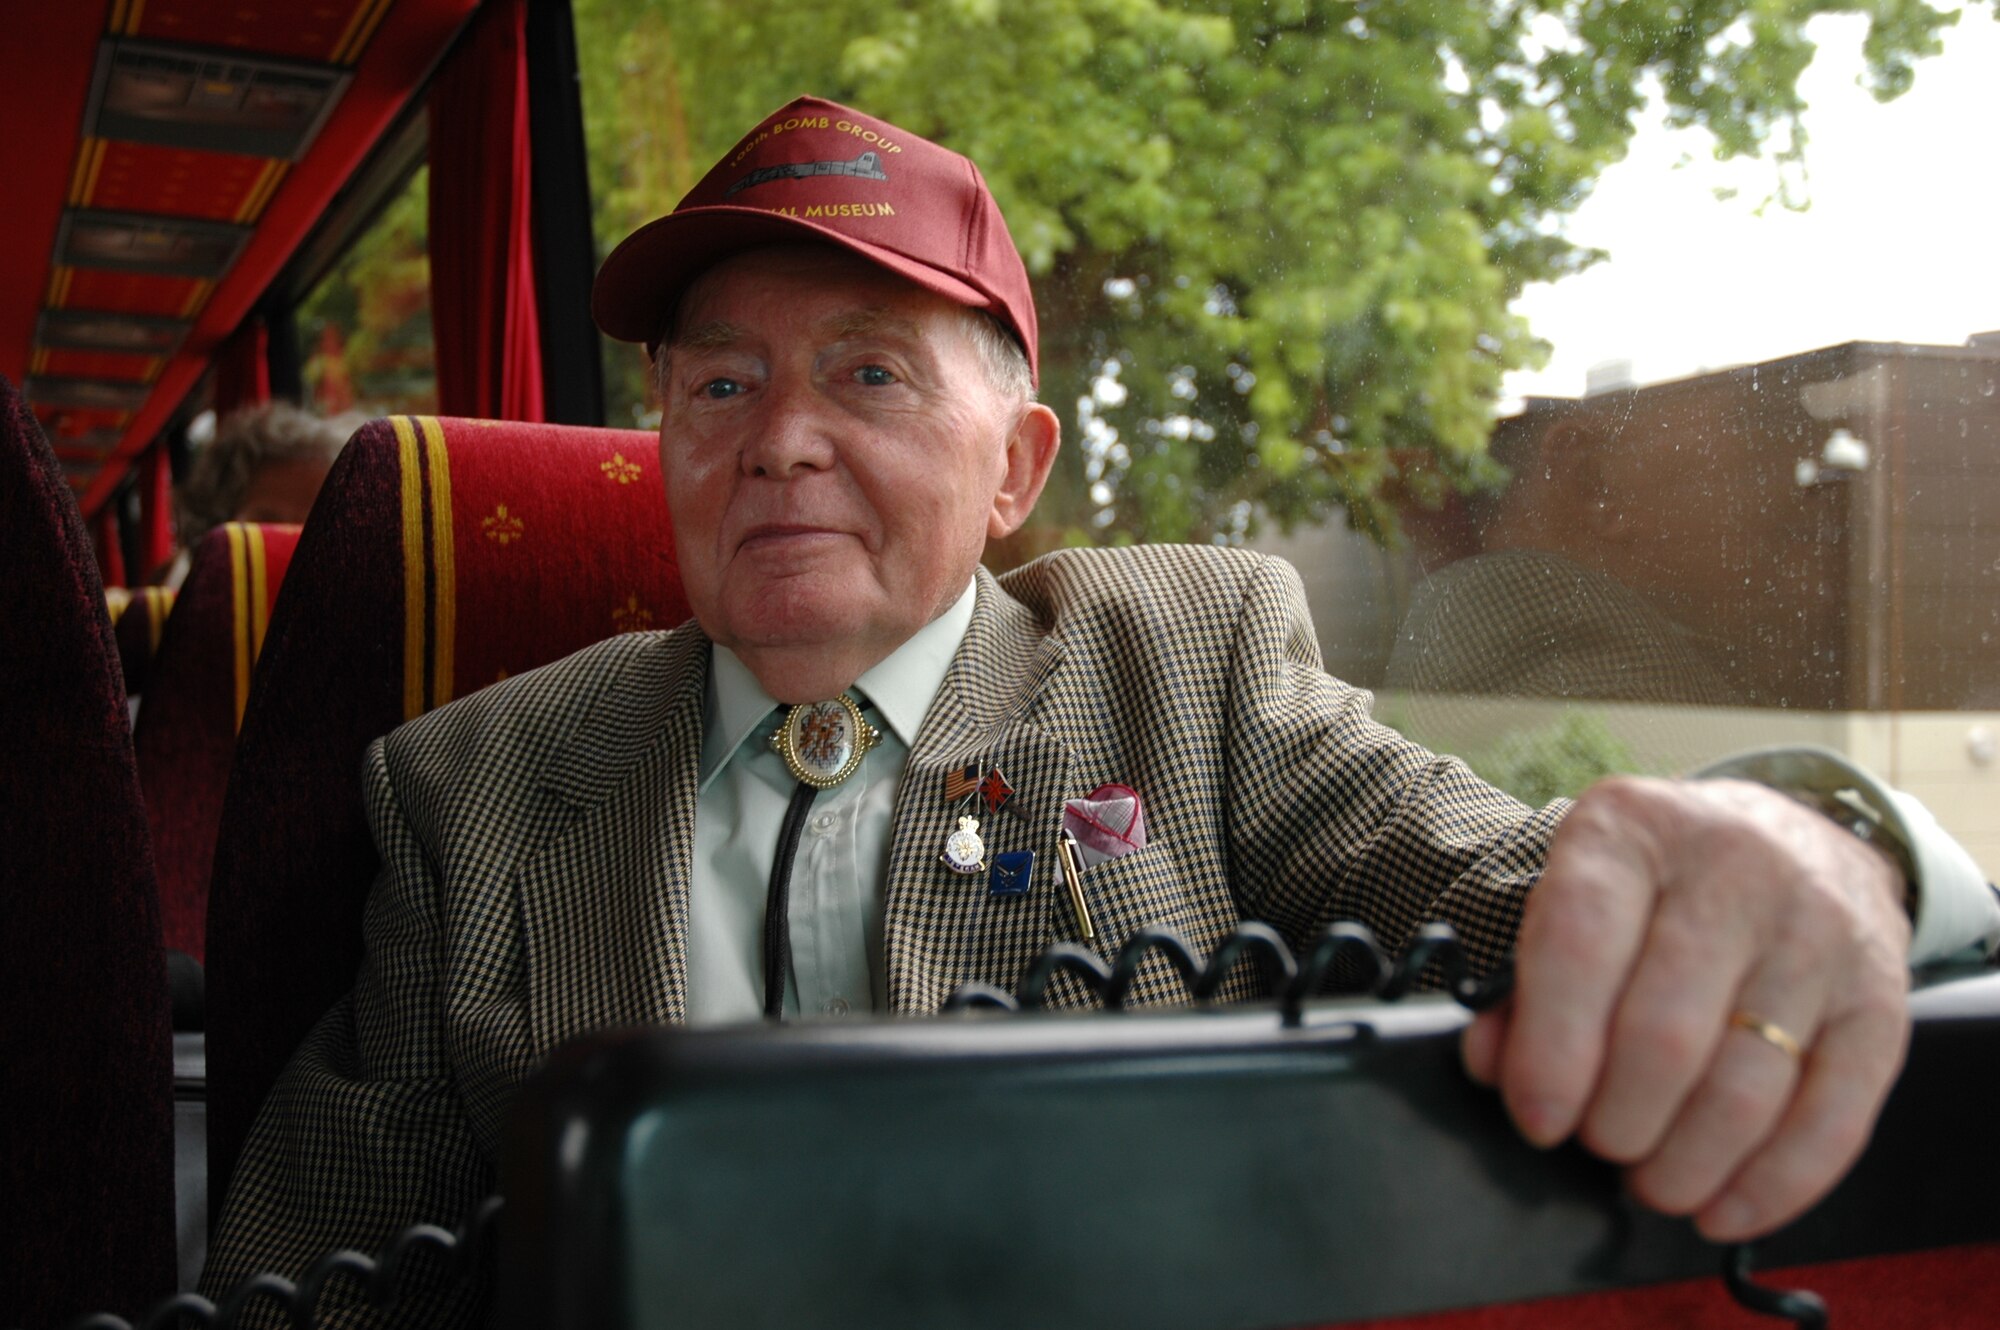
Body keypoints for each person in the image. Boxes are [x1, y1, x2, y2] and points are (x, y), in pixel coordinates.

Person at [202, 97, 1999, 1324]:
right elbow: (310, 1274)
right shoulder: (474, 785)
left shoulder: (1187, 661)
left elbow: (1505, 890)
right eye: (720, 382)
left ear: (1017, 469)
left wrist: (1813, 841)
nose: (779, 439)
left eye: (870, 374)